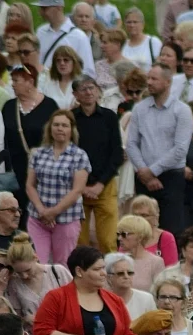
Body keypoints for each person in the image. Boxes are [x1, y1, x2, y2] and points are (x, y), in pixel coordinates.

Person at [128, 64, 192, 236]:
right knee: (141, 230)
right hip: (142, 177)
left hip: (171, 177)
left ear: (168, 82)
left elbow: (180, 149)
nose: (149, 82)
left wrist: (152, 171)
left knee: (170, 230)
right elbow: (132, 144)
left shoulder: (182, 111)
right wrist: (144, 172)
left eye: (154, 79)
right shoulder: (140, 109)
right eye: (148, 78)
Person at [25, 109, 90, 266]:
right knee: (36, 262)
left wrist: (53, 212)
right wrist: (42, 210)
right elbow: (30, 185)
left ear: (71, 129)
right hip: (38, 217)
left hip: (66, 219)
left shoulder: (79, 155)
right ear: (50, 128)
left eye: (64, 125)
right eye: (56, 125)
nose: (60, 129)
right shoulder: (38, 153)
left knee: (62, 265)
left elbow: (77, 190)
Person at [71, 76, 123, 255]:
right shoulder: (70, 118)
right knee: (79, 242)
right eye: (83, 89)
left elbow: (116, 153)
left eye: (91, 87)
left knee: (109, 242)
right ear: (75, 95)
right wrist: (81, 186)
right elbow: (67, 154)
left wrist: (100, 184)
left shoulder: (109, 117)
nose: (88, 92)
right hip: (77, 187)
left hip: (105, 184)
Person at [0, 64, 59, 220]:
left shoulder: (49, 106)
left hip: (41, 171)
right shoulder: (8, 106)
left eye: (16, 80)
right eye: (12, 80)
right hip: (15, 170)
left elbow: (58, 138)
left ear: (30, 82)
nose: (12, 84)